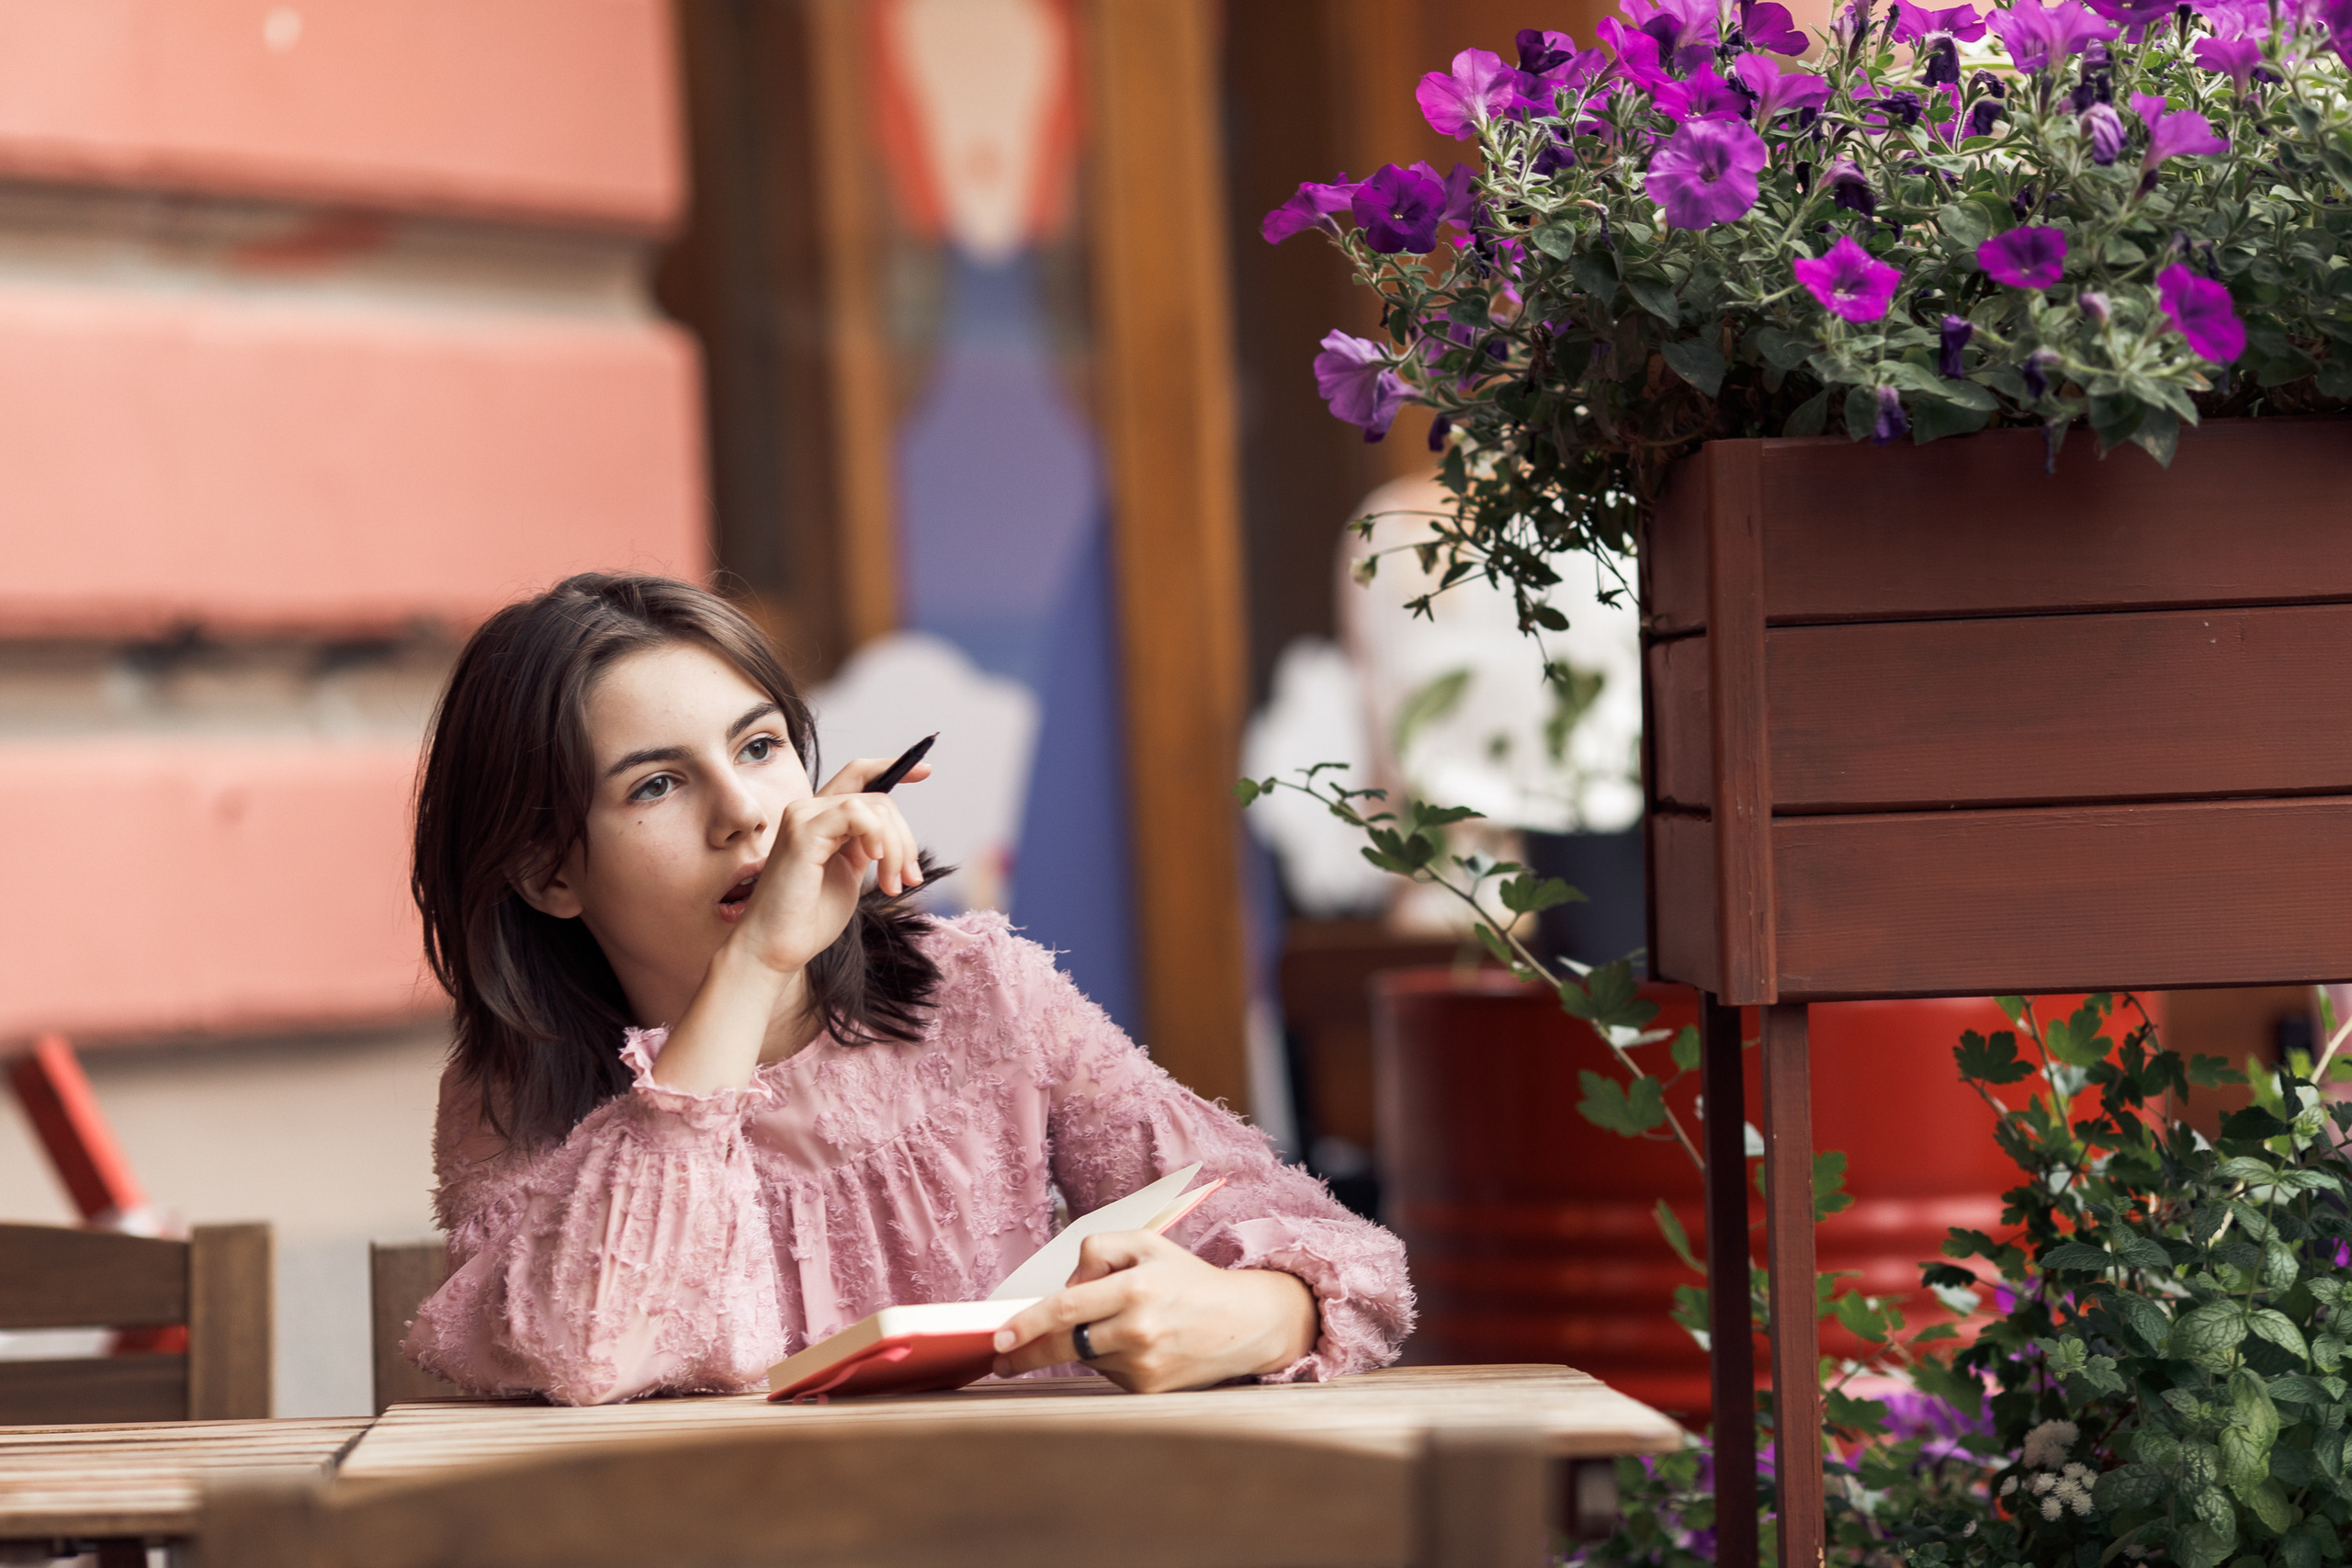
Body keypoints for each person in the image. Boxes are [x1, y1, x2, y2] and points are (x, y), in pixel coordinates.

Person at [401, 573, 1413, 1405]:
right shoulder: (515, 1088)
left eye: (759, 750)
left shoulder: (977, 993)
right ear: (549, 873)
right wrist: (753, 966)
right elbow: (591, 1343)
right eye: (656, 785)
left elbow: (1347, 1259)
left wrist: (1253, 1313)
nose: (747, 815)